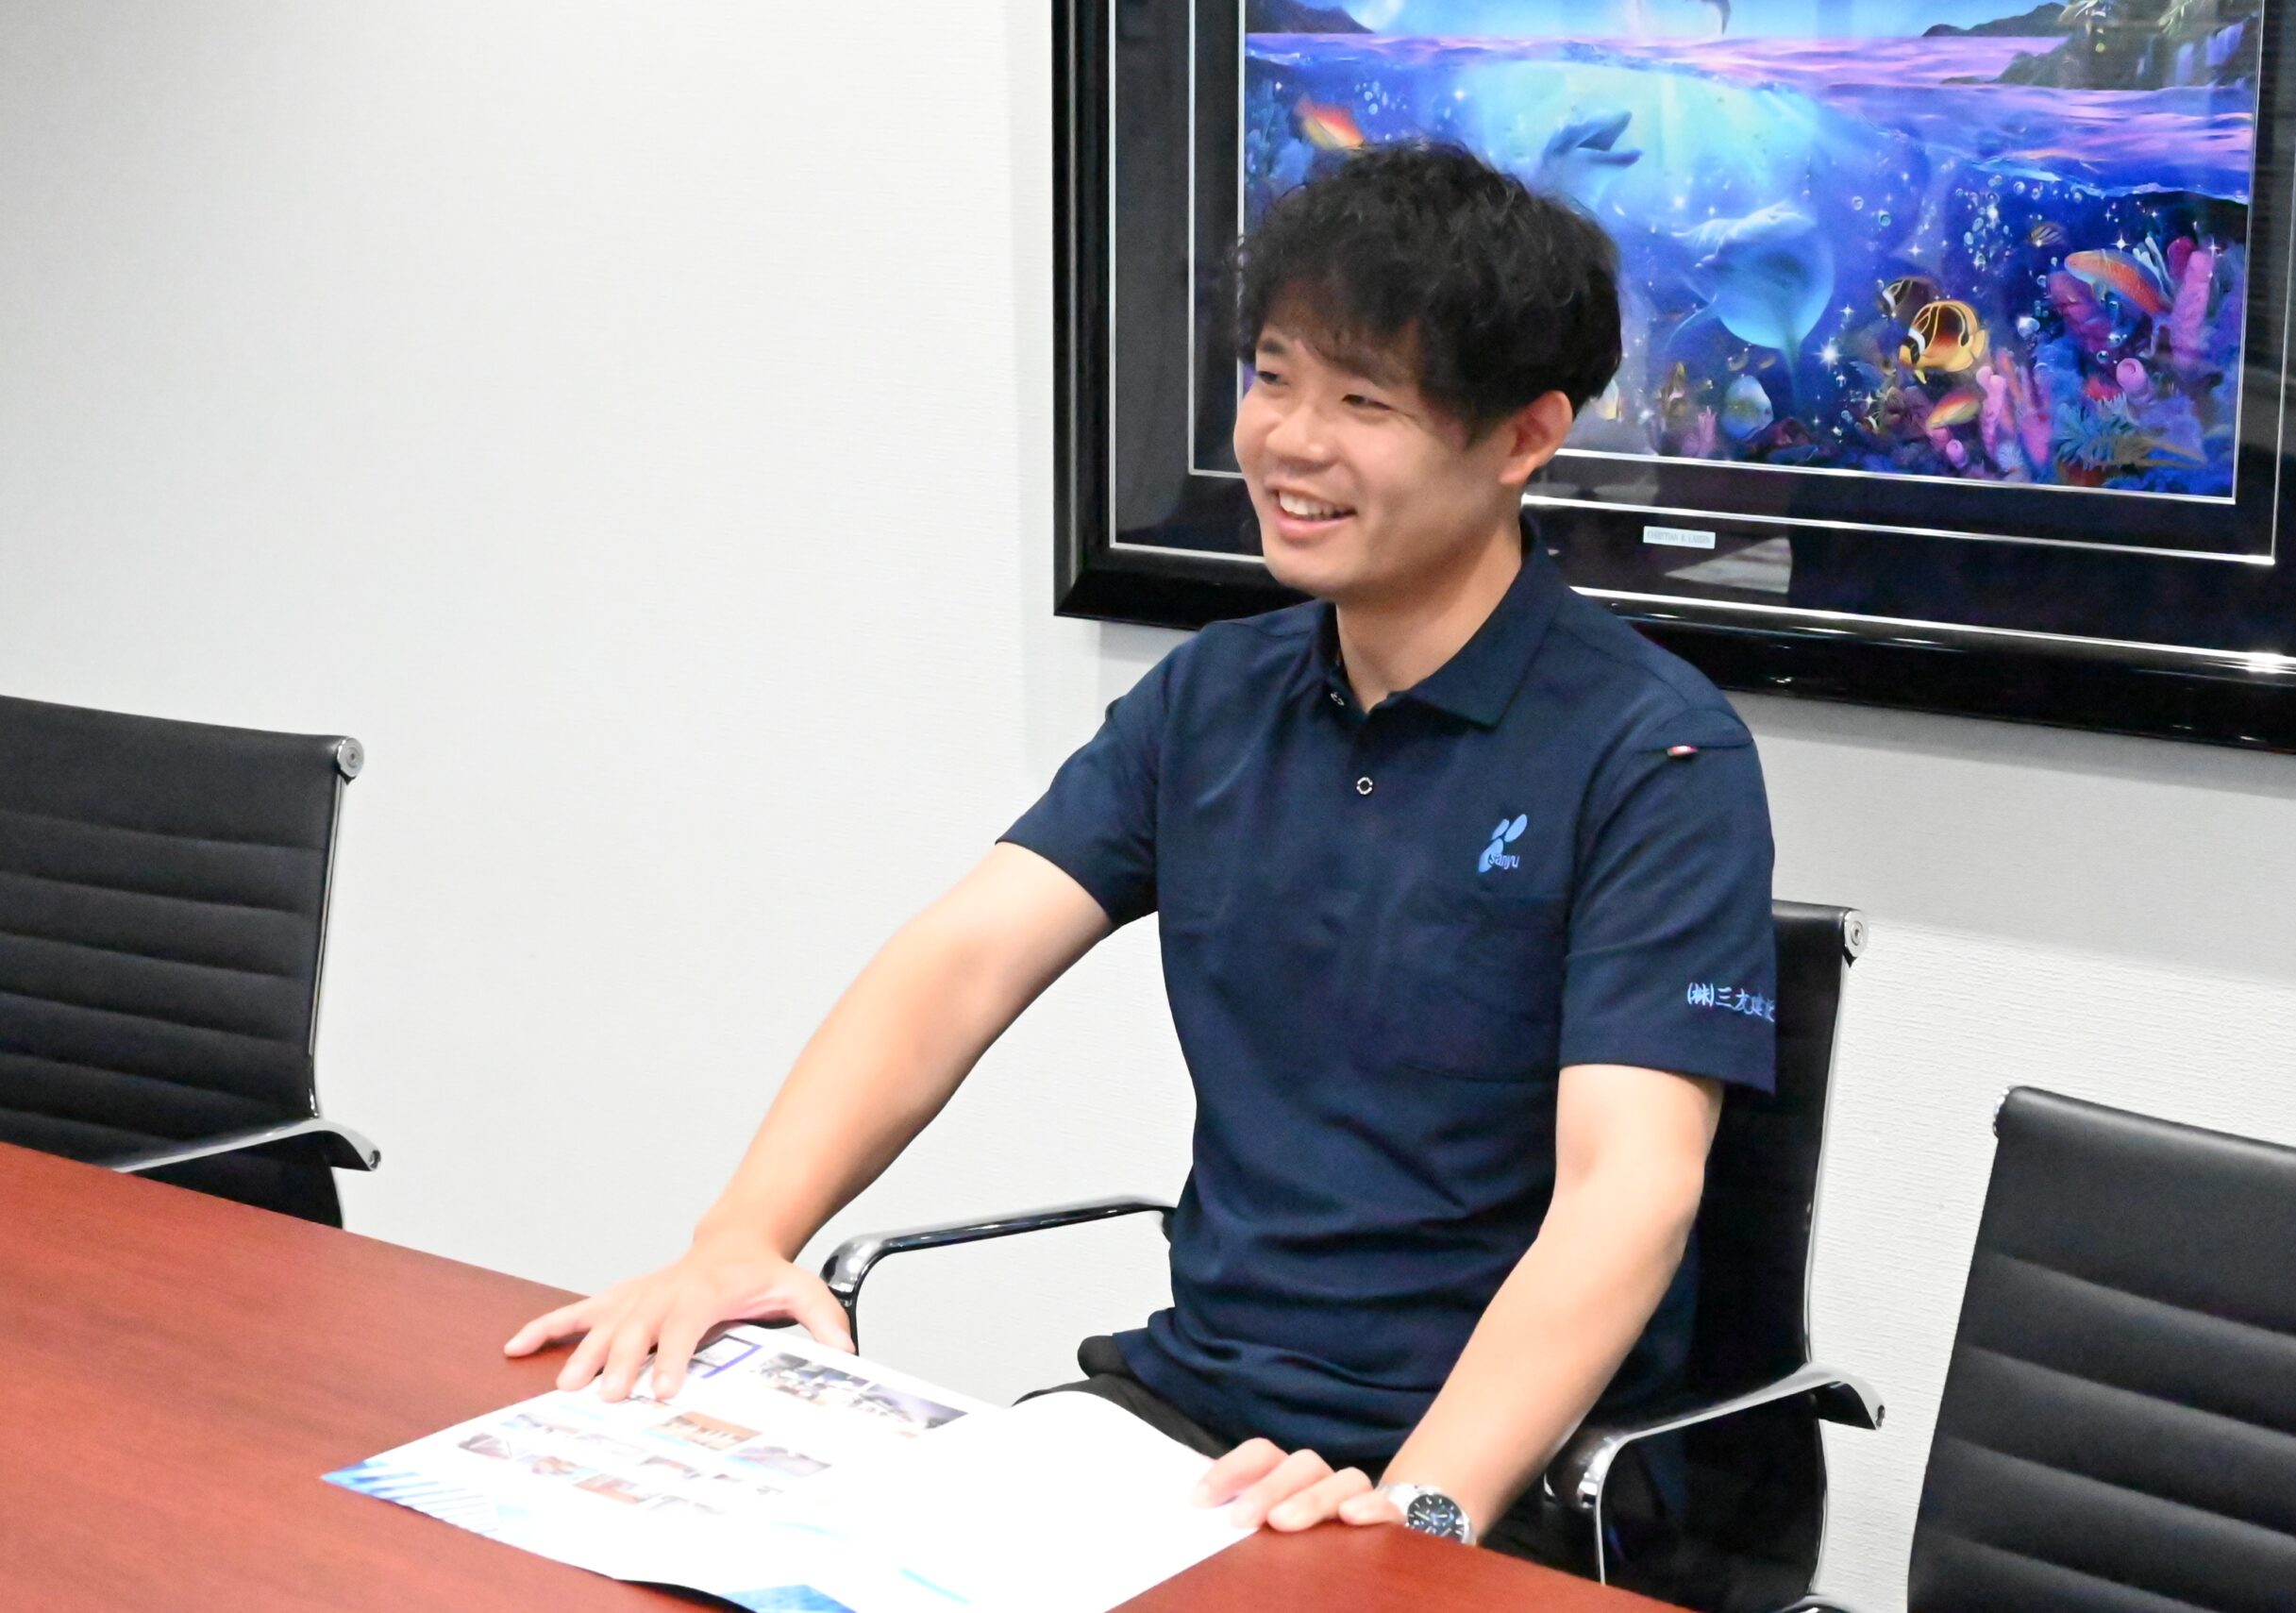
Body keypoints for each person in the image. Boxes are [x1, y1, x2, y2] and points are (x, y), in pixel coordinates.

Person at [506, 143, 1777, 1569]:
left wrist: (1422, 1505)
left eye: (1363, 401)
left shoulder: (1654, 755)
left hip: (1494, 1475)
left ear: (1525, 437)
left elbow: (1628, 1192)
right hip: (1192, 1420)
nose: (1290, 441)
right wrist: (742, 1235)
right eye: (1273, 376)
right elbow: (961, 960)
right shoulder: (1214, 697)